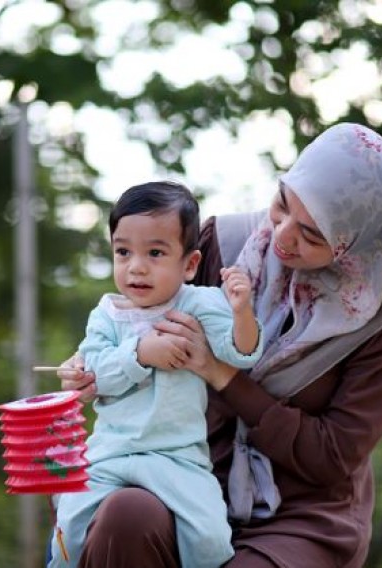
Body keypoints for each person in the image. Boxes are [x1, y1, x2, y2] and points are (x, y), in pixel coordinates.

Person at [59, 123, 382, 567]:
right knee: (125, 516)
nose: (282, 237)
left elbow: (333, 455)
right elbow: (137, 322)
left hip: (302, 512)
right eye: (281, 205)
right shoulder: (225, 244)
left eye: (312, 235)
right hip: (183, 472)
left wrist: (222, 374)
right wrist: (93, 367)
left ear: (355, 244)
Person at [48, 181, 264, 568]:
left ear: (190, 265)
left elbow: (241, 353)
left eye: (155, 253)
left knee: (211, 538)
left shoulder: (198, 303)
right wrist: (141, 353)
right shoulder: (108, 313)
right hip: (108, 455)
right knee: (70, 523)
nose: (136, 266)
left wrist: (242, 311)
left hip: (176, 458)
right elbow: (96, 374)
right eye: (123, 251)